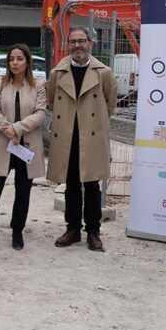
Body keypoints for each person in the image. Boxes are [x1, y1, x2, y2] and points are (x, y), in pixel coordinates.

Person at [47, 27, 116, 252]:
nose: (77, 45)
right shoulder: (57, 73)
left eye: (82, 41)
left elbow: (110, 105)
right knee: (72, 185)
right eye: (73, 41)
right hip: (67, 137)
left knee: (92, 185)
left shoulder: (103, 73)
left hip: (92, 136)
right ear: (68, 45)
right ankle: (73, 229)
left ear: (90, 44)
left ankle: (93, 232)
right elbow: (50, 102)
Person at [0, 44, 47, 251]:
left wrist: (17, 129)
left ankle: (17, 230)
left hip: (27, 146)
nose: (15, 63)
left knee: (23, 191)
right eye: (12, 59)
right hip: (3, 144)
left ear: (27, 62)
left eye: (19, 59)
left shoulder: (38, 86)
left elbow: (40, 113)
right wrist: (7, 130)